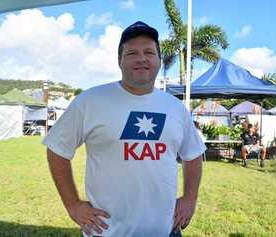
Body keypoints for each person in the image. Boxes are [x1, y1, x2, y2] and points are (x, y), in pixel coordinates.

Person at [43, 21, 206, 237]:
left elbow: (193, 154)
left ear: (159, 60)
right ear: (120, 61)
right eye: (131, 53)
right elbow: (56, 150)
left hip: (166, 231)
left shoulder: (175, 107)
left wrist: (189, 198)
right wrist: (73, 206)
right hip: (107, 232)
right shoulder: (91, 101)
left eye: (149, 52)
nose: (141, 58)